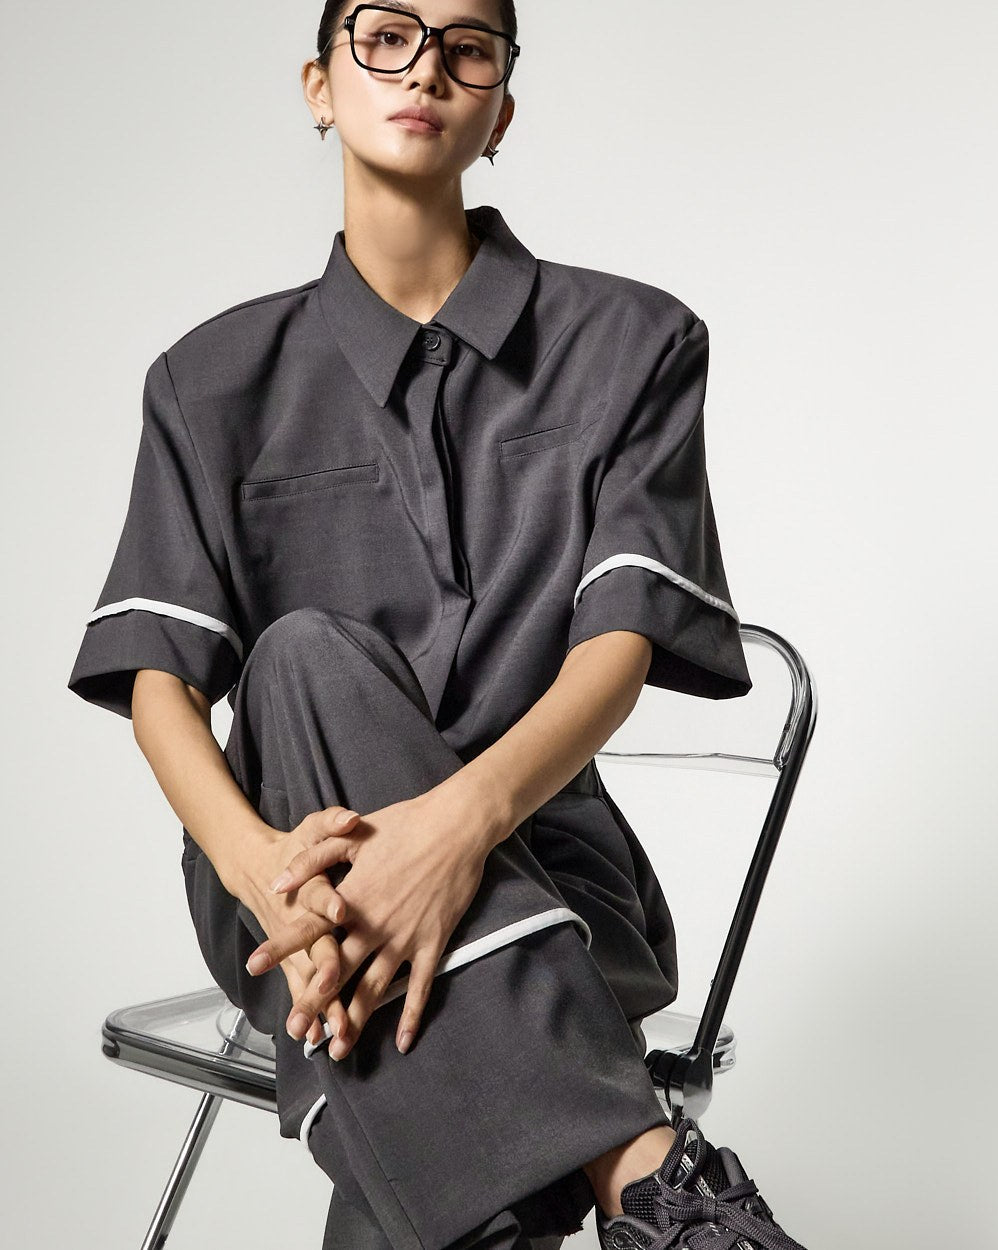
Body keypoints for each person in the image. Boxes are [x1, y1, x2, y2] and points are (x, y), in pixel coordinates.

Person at [67, 3, 810, 1248]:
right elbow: (160, 685)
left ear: (500, 107)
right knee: (301, 656)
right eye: (387, 36)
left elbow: (619, 646)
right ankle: (649, 1172)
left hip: (548, 873)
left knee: (438, 1144)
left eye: (467, 47)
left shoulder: (633, 343)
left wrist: (452, 832)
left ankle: (588, 1173)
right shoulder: (208, 380)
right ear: (319, 85)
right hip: (291, 887)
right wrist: (266, 880)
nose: (425, 68)